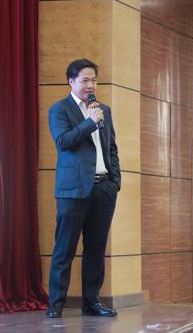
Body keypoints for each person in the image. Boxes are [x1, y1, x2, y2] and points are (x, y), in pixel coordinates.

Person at [45, 58, 121, 319]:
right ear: (71, 82)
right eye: (85, 80)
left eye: (94, 80)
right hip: (73, 190)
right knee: (64, 249)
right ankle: (56, 303)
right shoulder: (59, 110)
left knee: (96, 249)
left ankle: (92, 302)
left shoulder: (103, 110)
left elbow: (111, 147)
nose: (91, 85)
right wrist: (89, 122)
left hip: (104, 188)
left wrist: (115, 180)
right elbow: (64, 141)